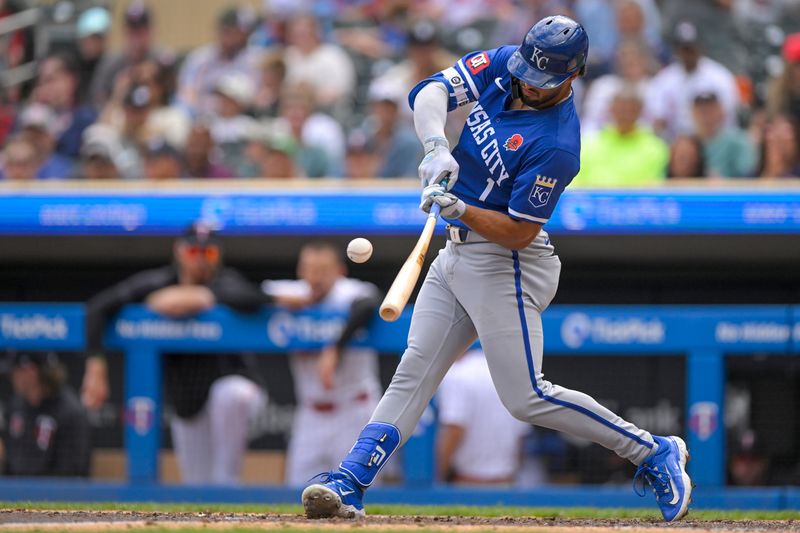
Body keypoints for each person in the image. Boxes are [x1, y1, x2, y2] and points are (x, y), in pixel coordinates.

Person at [301, 16, 692, 523]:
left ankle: (654, 451)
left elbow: (517, 232)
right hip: (456, 254)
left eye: (544, 79)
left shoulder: (557, 143)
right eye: (528, 72)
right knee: (413, 372)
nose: (529, 83)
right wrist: (436, 146)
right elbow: (429, 92)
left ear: (573, 76)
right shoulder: (510, 63)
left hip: (507, 261)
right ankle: (350, 480)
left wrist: (460, 209)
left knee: (526, 397)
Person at [85, 222, 305, 484]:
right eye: (193, 253)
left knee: (229, 395)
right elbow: (98, 308)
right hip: (188, 401)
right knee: (197, 485)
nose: (201, 260)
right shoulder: (158, 281)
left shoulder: (228, 281)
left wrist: (198, 296)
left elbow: (253, 298)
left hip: (238, 389)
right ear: (179, 252)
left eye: (208, 253)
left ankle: (228, 481)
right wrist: (96, 366)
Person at [262, 242, 383, 486]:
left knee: (359, 493)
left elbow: (370, 303)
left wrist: (335, 347)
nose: (315, 277)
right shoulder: (291, 293)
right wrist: (276, 299)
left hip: (355, 410)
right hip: (311, 414)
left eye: (323, 270)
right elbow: (236, 294)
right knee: (298, 494)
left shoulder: (350, 293)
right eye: (309, 269)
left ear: (339, 272)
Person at [436, 349, 530, 485]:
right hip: (507, 482)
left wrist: (439, 477)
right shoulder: (510, 372)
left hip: (468, 482)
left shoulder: (458, 374)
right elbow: (520, 439)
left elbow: (454, 430)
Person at [1, 350, 91, 477]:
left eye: (15, 371)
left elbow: (73, 472)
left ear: (31, 372)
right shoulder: (16, 406)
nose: (11, 377)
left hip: (55, 493)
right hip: (16, 492)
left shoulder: (70, 412)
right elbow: (12, 463)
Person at [646, 21, 740, 140]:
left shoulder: (720, 76)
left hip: (713, 140)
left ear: (700, 47)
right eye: (684, 50)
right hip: (676, 143)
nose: (688, 54)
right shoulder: (664, 79)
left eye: (691, 49)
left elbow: (727, 118)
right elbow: (657, 119)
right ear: (677, 50)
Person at [175, 6, 262, 117]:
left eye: (243, 32)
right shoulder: (200, 59)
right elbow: (186, 94)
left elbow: (258, 99)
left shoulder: (256, 60)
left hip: (242, 120)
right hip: (201, 118)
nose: (239, 36)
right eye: (228, 31)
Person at [576, 84, 668, 187]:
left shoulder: (655, 147)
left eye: (630, 110)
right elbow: (577, 185)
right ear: (611, 110)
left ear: (640, 112)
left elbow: (651, 186)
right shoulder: (588, 145)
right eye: (621, 109)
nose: (625, 115)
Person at [691, 91, 756, 178]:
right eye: (701, 110)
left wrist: (724, 184)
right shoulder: (688, 145)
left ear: (721, 111)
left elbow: (747, 175)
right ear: (693, 113)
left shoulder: (738, 141)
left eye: (710, 110)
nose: (706, 116)